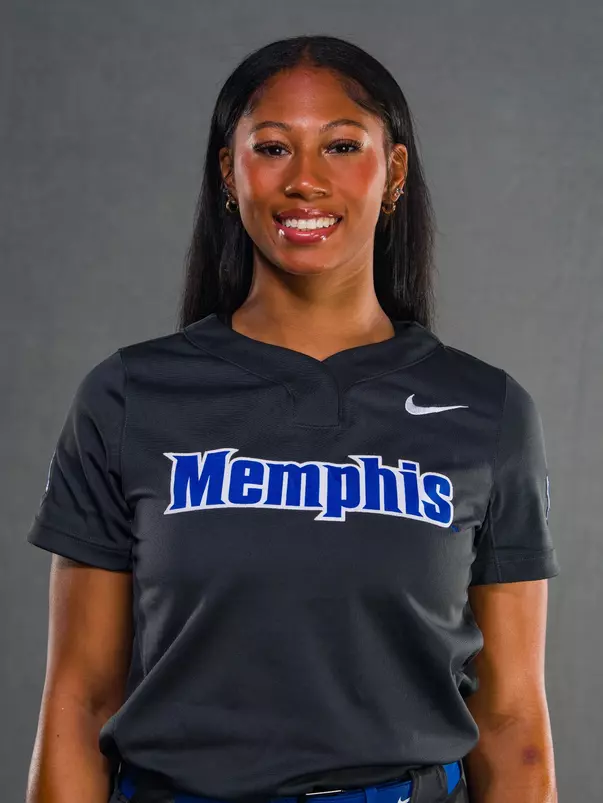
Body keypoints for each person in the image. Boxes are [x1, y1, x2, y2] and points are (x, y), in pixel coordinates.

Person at [25, 35, 560, 803]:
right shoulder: (128, 395)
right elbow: (80, 703)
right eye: (271, 147)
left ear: (394, 172)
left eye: (342, 145)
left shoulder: (485, 411)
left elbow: (510, 721)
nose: (305, 180)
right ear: (227, 172)